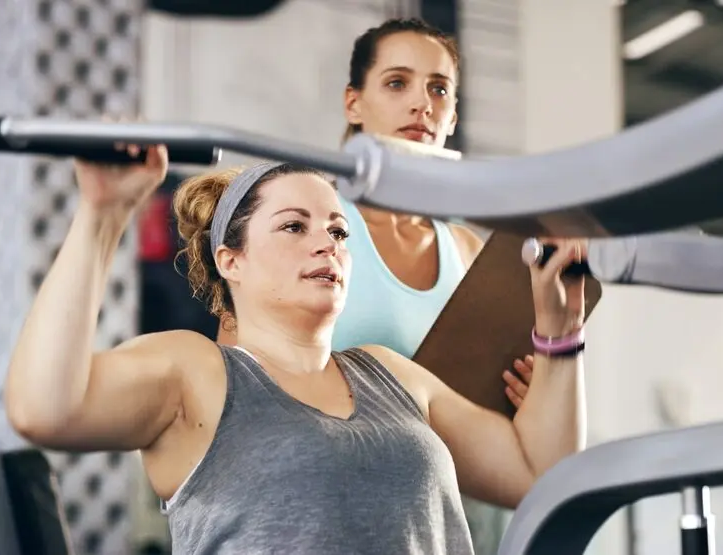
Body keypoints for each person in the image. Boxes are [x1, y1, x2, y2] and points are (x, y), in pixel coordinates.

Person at [4, 145, 588, 553]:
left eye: (337, 230)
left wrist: (560, 331)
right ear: (231, 260)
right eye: (294, 227)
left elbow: (541, 474)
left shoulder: (393, 377)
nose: (327, 244)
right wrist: (103, 213)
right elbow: (43, 409)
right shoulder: (198, 372)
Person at [215, 17, 552, 552]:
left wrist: (533, 395)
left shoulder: (468, 249)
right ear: (354, 103)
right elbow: (234, 401)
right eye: (398, 83)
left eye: (438, 88)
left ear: (453, 113)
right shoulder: (304, 234)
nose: (422, 103)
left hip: (443, 511)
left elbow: (512, 439)